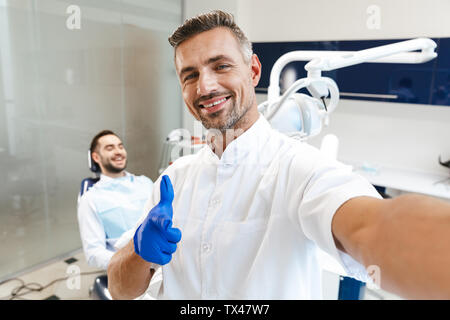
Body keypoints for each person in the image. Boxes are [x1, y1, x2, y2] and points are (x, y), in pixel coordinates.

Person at [107, 11, 450, 300]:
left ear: (253, 70)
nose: (205, 87)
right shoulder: (174, 180)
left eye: (221, 66)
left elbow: (374, 227)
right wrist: (139, 254)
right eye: (190, 75)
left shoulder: (299, 169)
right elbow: (120, 289)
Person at [77, 130, 154, 270]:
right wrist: (128, 261)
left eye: (120, 146)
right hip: (127, 268)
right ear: (96, 157)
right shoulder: (90, 199)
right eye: (110, 148)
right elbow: (93, 254)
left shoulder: (146, 183)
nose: (118, 151)